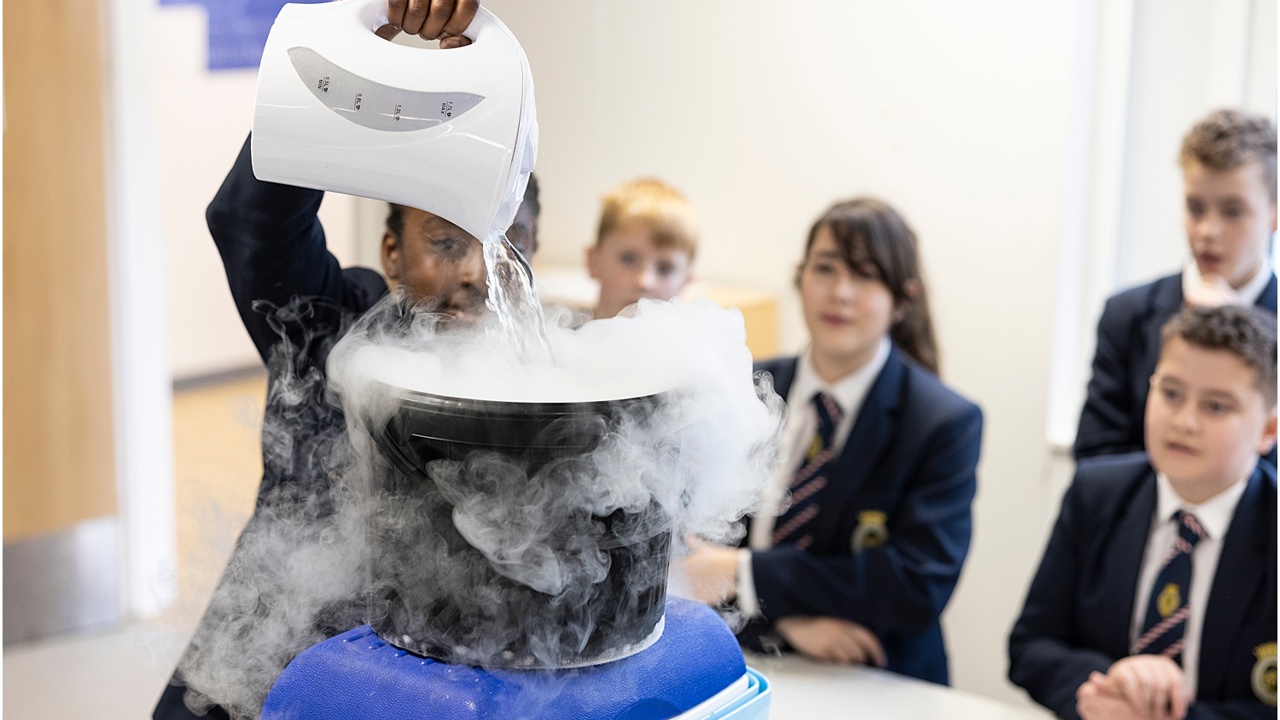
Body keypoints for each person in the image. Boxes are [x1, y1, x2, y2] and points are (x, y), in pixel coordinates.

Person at [151, 2, 544, 717]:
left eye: (502, 248)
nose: (477, 275)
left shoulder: (545, 389)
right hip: (258, 678)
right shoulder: (333, 327)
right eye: (448, 241)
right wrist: (368, 54)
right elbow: (249, 224)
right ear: (391, 250)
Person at [677, 198, 983, 685]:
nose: (840, 292)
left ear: (902, 299)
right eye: (825, 269)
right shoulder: (748, 387)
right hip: (746, 664)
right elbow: (693, 557)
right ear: (800, 279)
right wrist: (788, 619)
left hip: (874, 679)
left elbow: (913, 585)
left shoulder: (942, 422)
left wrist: (745, 573)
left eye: (865, 275)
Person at [1009, 305, 1277, 720]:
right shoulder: (1096, 492)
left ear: (1268, 431)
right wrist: (1111, 683)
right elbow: (1031, 644)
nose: (1184, 422)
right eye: (1170, 394)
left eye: (1216, 407)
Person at [1075, 108, 1277, 466]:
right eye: (1195, 208)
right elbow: (1096, 458)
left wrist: (1234, 325)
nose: (1207, 231)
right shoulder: (1128, 315)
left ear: (1273, 213)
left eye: (1232, 212)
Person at [585, 177, 698, 319]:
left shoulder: (695, 338)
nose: (645, 282)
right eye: (628, 259)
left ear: (685, 281)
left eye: (665, 268)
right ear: (593, 261)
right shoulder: (559, 333)